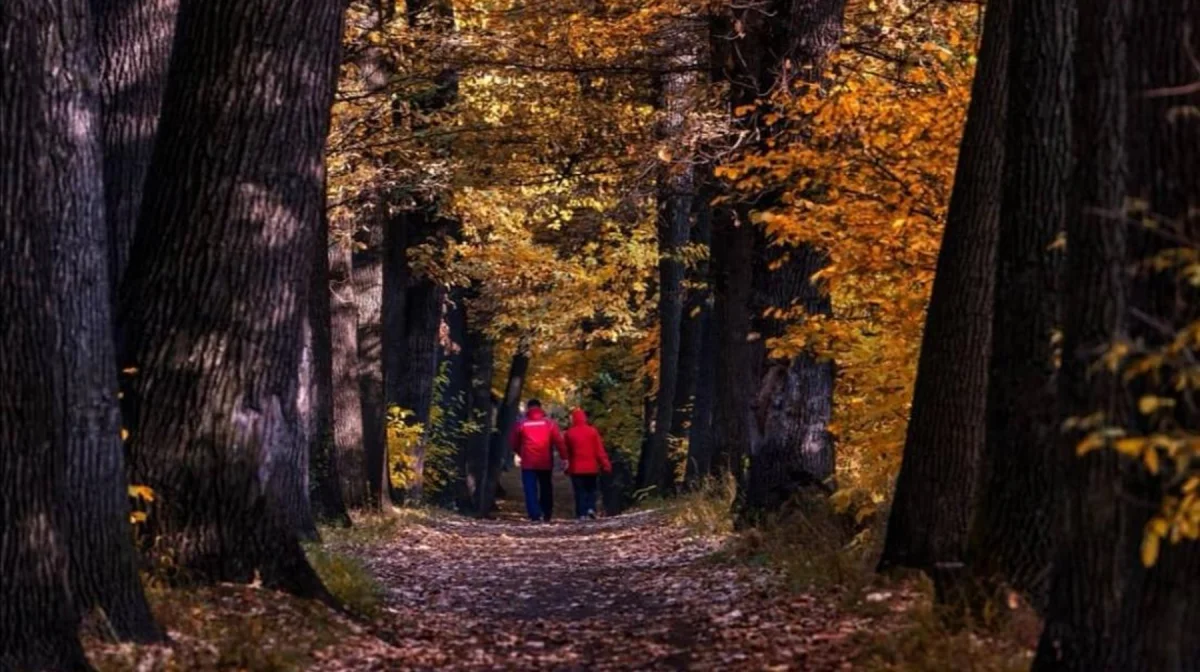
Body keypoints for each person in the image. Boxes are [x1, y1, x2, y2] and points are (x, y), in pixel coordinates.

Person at [509, 399, 566, 522]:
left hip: (528, 462)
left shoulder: (521, 424)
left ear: (528, 408)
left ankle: (534, 515)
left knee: (530, 489)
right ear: (540, 408)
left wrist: (521, 453)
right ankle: (546, 513)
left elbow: (514, 443)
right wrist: (564, 457)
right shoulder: (550, 424)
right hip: (545, 461)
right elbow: (559, 442)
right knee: (546, 487)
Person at [564, 408, 611, 520]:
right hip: (591, 467)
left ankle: (581, 513)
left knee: (579, 491)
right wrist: (605, 463)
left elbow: (567, 453)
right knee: (591, 489)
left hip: (576, 468)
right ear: (585, 418)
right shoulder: (592, 431)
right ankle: (591, 508)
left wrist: (566, 466)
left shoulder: (569, 433)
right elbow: (599, 450)